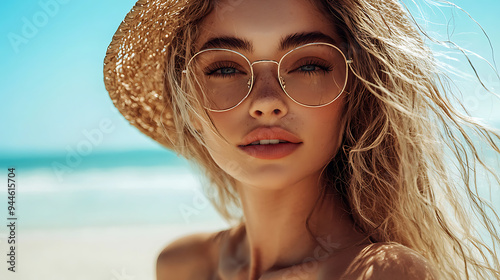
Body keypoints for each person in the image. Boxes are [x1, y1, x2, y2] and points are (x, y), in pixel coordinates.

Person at [103, 0, 500, 279]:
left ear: (355, 91)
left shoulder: (383, 274)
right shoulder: (181, 266)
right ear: (186, 100)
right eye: (224, 69)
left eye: (308, 65)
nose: (266, 102)